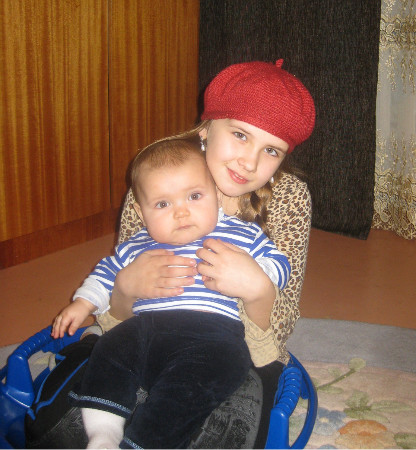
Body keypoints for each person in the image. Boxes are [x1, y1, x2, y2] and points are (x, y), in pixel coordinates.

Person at [37, 59, 315, 449]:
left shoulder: (289, 198)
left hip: (234, 348)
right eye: (239, 134)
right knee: (62, 422)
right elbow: (117, 305)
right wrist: (125, 288)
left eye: (271, 150)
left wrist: (258, 289)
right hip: (144, 331)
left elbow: (280, 324)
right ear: (206, 129)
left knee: (224, 429)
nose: (250, 162)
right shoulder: (157, 179)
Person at [53, 137, 292, 448]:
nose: (181, 213)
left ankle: (142, 443)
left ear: (216, 195)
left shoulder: (241, 233)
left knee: (194, 386)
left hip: (212, 336)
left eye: (194, 196)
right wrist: (83, 303)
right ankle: (103, 434)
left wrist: (256, 277)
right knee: (108, 349)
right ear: (141, 213)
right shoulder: (138, 244)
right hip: (144, 329)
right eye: (163, 204)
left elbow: (279, 263)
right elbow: (106, 274)